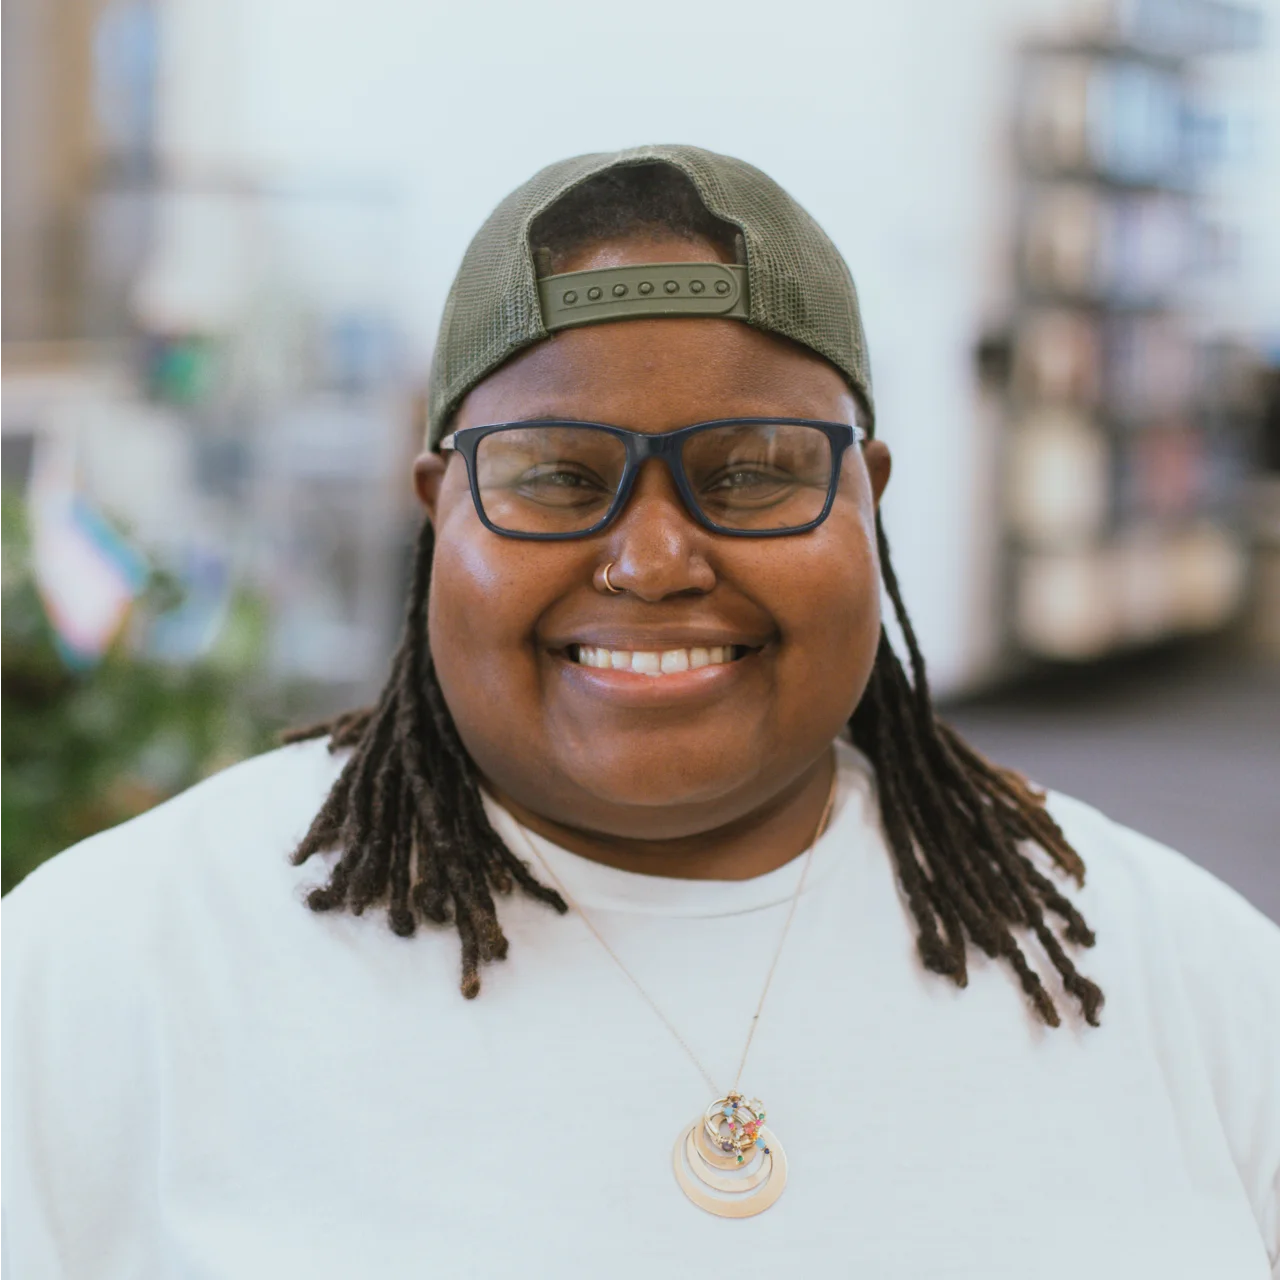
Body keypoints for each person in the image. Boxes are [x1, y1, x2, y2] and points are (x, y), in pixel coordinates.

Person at [2, 145, 1278, 1278]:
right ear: (437, 507)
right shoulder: (106, 967)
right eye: (557, 476)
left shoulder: (1181, 968)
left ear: (867, 501)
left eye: (753, 473)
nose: (654, 558)